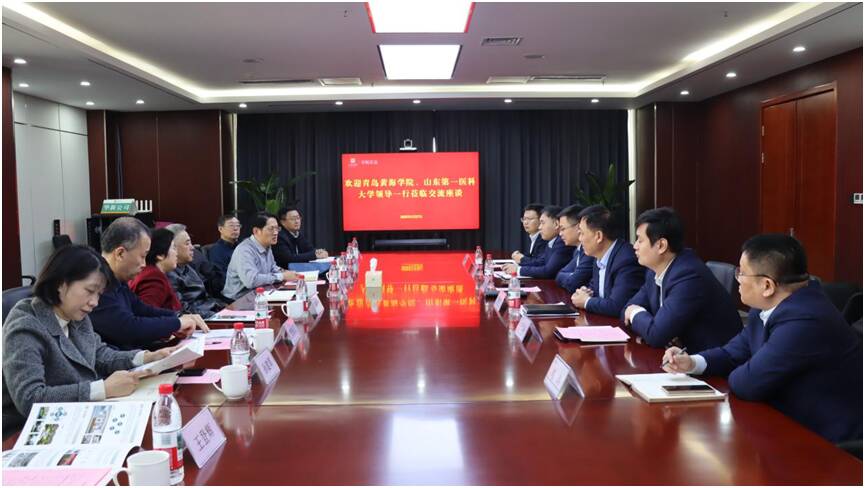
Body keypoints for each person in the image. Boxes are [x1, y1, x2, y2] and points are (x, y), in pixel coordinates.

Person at [662, 234, 862, 443]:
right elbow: (734, 352)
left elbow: (747, 383)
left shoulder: (806, 320)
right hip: (787, 421)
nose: (738, 279)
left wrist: (746, 367)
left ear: (767, 286)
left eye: (742, 273)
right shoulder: (770, 305)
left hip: (827, 441)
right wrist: (692, 362)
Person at [2, 245, 178, 431]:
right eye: (89, 290)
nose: (95, 302)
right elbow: (30, 398)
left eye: (98, 294)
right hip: (27, 431)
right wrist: (102, 389)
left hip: (77, 418)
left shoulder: (75, 315)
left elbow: (100, 354)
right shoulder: (25, 325)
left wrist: (147, 357)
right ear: (60, 284)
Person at [623, 208, 741, 351]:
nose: (635, 246)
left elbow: (655, 334)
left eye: (640, 240)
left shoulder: (688, 275)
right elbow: (626, 309)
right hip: (678, 354)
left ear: (661, 245)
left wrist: (636, 314)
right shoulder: (653, 271)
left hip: (712, 359)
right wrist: (655, 327)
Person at [90, 217, 209, 350]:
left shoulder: (117, 280)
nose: (144, 264)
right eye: (142, 256)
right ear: (120, 253)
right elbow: (128, 328)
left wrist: (178, 318)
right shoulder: (96, 282)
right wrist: (176, 323)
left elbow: (142, 309)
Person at [570, 205, 643, 317]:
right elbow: (595, 289)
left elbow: (618, 306)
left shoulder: (626, 260)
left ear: (598, 236)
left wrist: (586, 302)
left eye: (582, 233)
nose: (580, 239)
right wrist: (585, 291)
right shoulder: (599, 256)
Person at [223, 212, 298, 300]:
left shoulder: (266, 245)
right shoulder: (244, 250)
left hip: (259, 294)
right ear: (256, 231)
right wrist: (282, 276)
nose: (276, 233)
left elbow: (273, 268)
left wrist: (288, 273)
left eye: (277, 228)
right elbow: (251, 281)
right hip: (238, 300)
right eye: (271, 229)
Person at [165, 223, 226, 318]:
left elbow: (206, 298)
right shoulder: (168, 275)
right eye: (187, 243)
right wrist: (215, 316)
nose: (192, 247)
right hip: (200, 319)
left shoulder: (188, 267)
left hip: (210, 312)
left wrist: (225, 309)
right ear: (173, 248)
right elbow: (184, 311)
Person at [503, 205, 573, 279]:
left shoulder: (561, 242)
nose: (539, 227)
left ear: (556, 224)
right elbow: (541, 262)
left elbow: (547, 272)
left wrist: (518, 270)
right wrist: (518, 267)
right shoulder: (552, 241)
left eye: (542, 223)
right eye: (524, 219)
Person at [128, 228, 181, 312]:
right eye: (173, 248)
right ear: (160, 255)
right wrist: (180, 319)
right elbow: (147, 314)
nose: (177, 253)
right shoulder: (154, 278)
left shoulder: (146, 272)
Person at [554, 204, 595, 293]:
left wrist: (572, 276)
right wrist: (572, 275)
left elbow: (573, 284)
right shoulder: (578, 250)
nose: (560, 234)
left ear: (578, 227)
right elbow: (559, 275)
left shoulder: (589, 251)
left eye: (563, 229)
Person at [207, 214, 242, 293]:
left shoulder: (242, 247)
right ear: (220, 229)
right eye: (231, 225)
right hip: (232, 291)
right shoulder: (216, 251)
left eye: (238, 225)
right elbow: (220, 279)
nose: (235, 228)